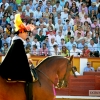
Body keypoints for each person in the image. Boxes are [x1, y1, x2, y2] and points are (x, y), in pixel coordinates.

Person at [0, 14, 35, 100]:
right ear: (21, 32)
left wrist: (26, 59)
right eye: (26, 32)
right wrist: (27, 61)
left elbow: (19, 58)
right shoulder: (18, 43)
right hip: (12, 70)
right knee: (30, 78)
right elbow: (20, 60)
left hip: (10, 68)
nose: (27, 34)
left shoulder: (17, 42)